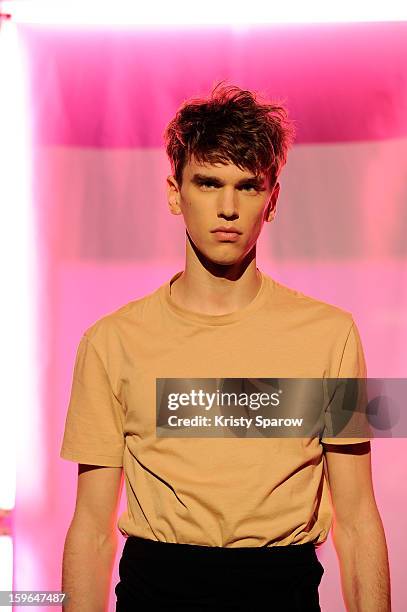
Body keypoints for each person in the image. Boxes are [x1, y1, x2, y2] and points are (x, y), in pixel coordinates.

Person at [60, 82, 391, 611]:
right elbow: (91, 529)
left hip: (282, 593)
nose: (229, 208)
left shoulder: (333, 336)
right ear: (175, 193)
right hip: (156, 592)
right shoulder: (111, 342)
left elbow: (357, 521)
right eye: (209, 183)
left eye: (248, 186)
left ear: (273, 199)